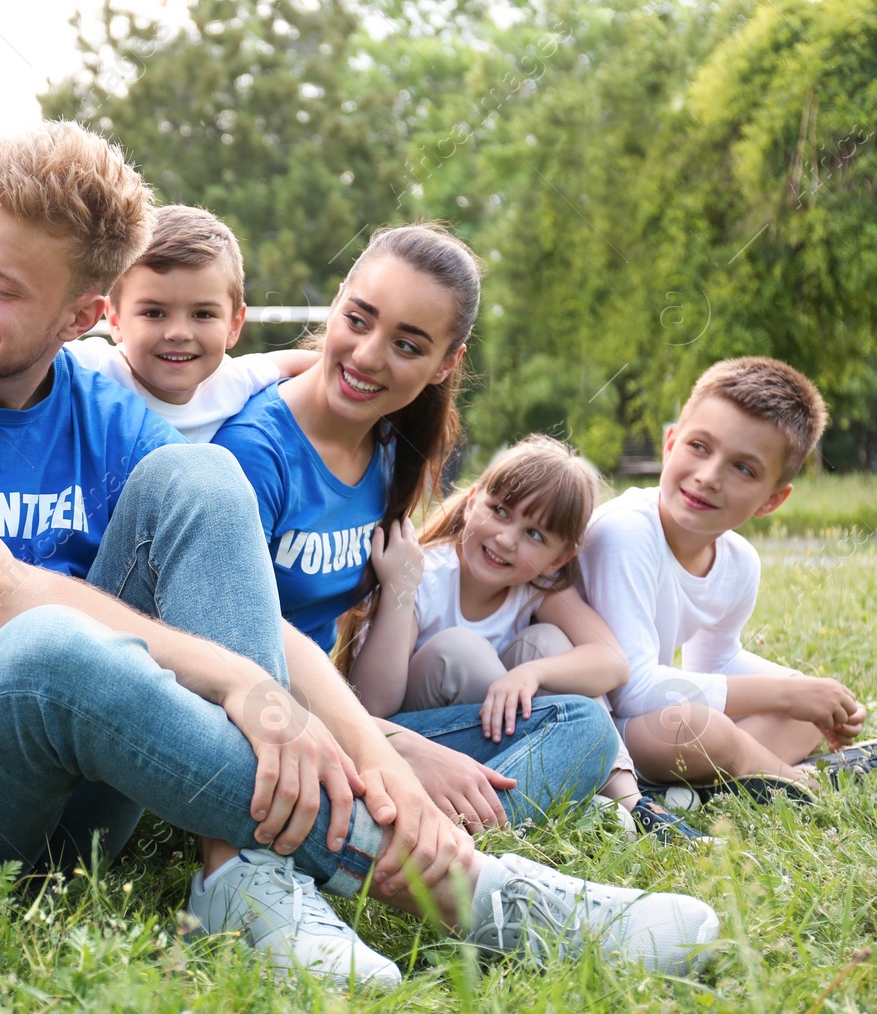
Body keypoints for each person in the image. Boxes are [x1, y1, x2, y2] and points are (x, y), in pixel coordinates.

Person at [0, 121, 718, 990]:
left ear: (81, 317)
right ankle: (482, 894)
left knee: (201, 480)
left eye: (2, 286)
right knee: (55, 648)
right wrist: (242, 686)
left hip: (74, 812)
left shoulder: (109, 417)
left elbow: (247, 607)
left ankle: (248, 875)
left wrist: (368, 751)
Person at [212, 224, 618, 835]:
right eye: (358, 319)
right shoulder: (255, 452)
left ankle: (455, 833)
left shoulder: (390, 449)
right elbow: (228, 649)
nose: (369, 355)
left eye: (407, 345)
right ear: (337, 301)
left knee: (584, 728)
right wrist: (396, 747)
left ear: (445, 364)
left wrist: (394, 741)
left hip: (343, 719)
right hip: (252, 725)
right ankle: (433, 837)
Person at [347, 434, 709, 842]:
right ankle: (550, 788)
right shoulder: (425, 576)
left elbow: (612, 661)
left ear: (559, 558)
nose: (506, 539)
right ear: (472, 502)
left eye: (535, 535)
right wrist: (400, 588)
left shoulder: (536, 586)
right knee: (462, 652)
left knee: (548, 644)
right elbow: (371, 708)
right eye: (499, 511)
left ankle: (631, 803)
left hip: (498, 739)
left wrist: (532, 673)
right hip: (422, 745)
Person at [579, 357, 871, 797]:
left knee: (806, 711)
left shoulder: (739, 562)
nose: (709, 477)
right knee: (697, 727)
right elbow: (630, 691)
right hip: (597, 727)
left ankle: (712, 784)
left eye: (744, 469)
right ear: (671, 444)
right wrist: (783, 695)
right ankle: (794, 779)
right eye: (699, 446)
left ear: (771, 500)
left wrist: (807, 692)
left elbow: (714, 663)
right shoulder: (625, 532)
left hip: (649, 726)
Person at [0, 204, 314, 441]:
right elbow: (2, 321)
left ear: (235, 325)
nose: (178, 331)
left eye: (204, 315)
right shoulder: (89, 368)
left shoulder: (236, 381)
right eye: (153, 312)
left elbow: (304, 363)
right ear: (109, 317)